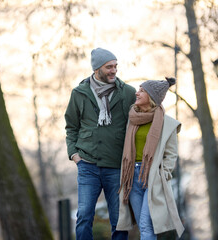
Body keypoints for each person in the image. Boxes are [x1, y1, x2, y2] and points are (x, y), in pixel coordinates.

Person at [65, 48, 136, 240]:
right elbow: (71, 126)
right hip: (88, 165)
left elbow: (139, 119)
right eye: (109, 67)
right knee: (84, 215)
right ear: (97, 69)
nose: (114, 71)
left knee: (119, 219)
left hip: (116, 166)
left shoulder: (127, 93)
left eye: (115, 66)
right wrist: (74, 155)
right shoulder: (79, 93)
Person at [117, 77, 185, 239]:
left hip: (152, 178)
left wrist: (164, 174)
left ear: (152, 97)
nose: (137, 93)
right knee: (143, 226)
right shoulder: (133, 119)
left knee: (147, 225)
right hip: (131, 177)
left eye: (142, 90)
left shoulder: (167, 124)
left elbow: (171, 154)